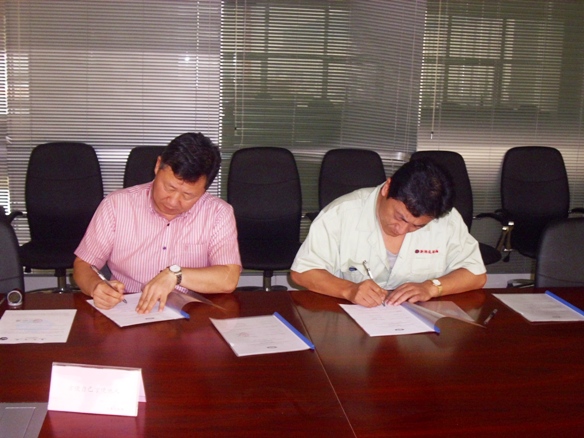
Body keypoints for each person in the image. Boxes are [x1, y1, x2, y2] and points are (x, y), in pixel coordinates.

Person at [74, 132, 241, 313]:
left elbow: (229, 278)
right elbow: (83, 265)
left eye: (188, 195)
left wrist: (176, 275)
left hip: (192, 313)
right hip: (128, 308)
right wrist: (96, 286)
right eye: (169, 187)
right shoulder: (116, 205)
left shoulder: (218, 213)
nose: (173, 201)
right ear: (157, 166)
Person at [290, 158, 486, 307]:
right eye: (400, 217)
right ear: (387, 187)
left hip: (417, 324)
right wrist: (349, 290)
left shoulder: (447, 219)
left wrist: (431, 287)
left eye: (417, 226)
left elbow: (476, 274)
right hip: (351, 320)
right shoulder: (341, 213)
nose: (402, 230)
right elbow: (303, 272)